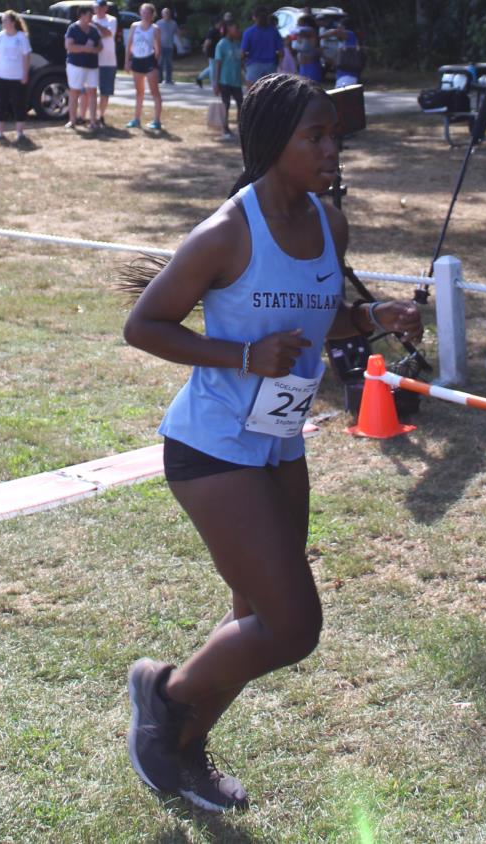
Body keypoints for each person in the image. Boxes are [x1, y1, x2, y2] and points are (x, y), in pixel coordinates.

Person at [122, 72, 422, 811]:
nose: (331, 149)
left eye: (333, 136)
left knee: (252, 616)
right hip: (212, 448)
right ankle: (163, 696)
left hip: (281, 443)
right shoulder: (228, 232)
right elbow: (143, 326)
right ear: (272, 143)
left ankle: (181, 751)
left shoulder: (329, 223)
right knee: (292, 627)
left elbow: (322, 318)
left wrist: (373, 317)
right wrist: (243, 356)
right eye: (314, 137)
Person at [0, 10, 32, 142]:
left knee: (19, 104)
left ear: (12, 22)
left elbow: (26, 57)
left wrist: (25, 74)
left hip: (17, 77)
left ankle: (19, 132)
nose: (2, 23)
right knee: (0, 104)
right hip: (1, 76)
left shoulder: (21, 37)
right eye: (2, 20)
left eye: (5, 20)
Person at [125, 3, 163, 132]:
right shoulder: (134, 26)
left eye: (148, 13)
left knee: (154, 92)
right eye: (143, 12)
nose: (145, 15)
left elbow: (158, 48)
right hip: (137, 60)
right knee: (139, 92)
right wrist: (127, 61)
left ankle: (157, 121)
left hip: (149, 60)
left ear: (152, 15)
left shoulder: (155, 28)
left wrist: (155, 62)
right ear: (140, 13)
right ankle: (136, 119)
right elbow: (129, 44)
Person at [65, 6, 101, 131]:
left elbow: (100, 46)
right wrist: (85, 48)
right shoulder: (73, 28)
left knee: (92, 91)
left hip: (92, 65)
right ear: (81, 15)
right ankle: (72, 120)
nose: (91, 17)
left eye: (92, 15)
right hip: (76, 64)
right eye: (89, 15)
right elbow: (69, 46)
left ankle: (93, 121)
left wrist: (94, 49)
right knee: (74, 91)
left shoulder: (94, 30)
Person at [212, 18, 242, 138]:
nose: (238, 31)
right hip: (225, 80)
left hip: (236, 80)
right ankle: (225, 128)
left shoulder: (237, 44)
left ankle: (241, 127)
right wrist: (216, 82)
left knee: (241, 104)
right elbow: (218, 63)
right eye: (236, 28)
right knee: (226, 105)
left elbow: (241, 61)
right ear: (229, 29)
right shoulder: (221, 44)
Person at [240, 6, 284, 85]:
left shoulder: (248, 32)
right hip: (271, 66)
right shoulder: (274, 31)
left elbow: (242, 54)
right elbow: (281, 52)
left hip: (253, 66)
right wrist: (279, 64)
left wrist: (244, 67)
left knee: (253, 90)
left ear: (254, 17)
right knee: (270, 90)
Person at [92, 0, 119, 127]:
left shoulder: (111, 20)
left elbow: (108, 33)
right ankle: (90, 116)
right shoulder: (90, 19)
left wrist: (96, 26)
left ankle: (100, 115)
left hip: (108, 61)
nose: (98, 10)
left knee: (105, 91)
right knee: (90, 90)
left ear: (106, 8)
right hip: (93, 60)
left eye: (101, 7)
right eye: (96, 7)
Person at [291, 12, 324, 83]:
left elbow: (302, 32)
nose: (297, 24)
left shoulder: (310, 31)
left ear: (305, 23)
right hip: (303, 65)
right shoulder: (301, 33)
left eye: (299, 22)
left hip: (311, 65)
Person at [156, 7, 179, 85]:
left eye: (167, 13)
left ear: (170, 14)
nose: (166, 14)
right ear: (162, 14)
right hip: (160, 46)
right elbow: (155, 34)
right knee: (160, 63)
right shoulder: (158, 23)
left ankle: (168, 79)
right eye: (164, 13)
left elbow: (177, 32)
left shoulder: (173, 23)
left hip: (169, 46)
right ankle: (159, 78)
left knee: (169, 63)